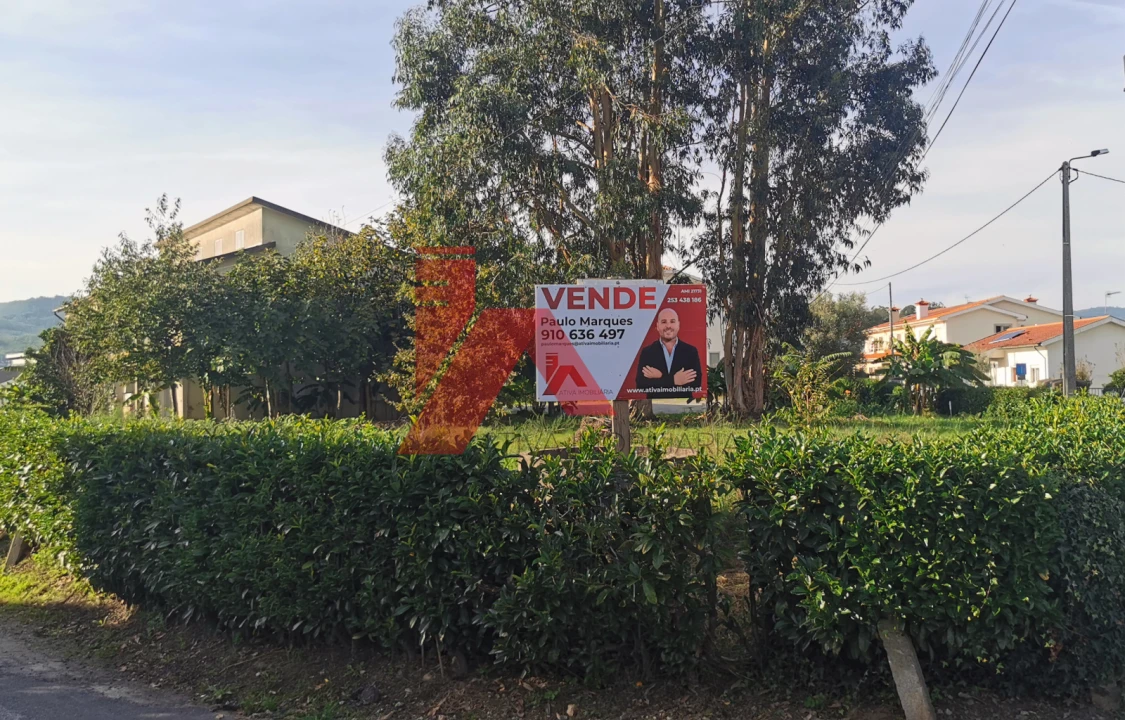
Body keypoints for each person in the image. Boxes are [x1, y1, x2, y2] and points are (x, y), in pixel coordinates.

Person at [634, 307, 702, 399]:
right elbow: (641, 384)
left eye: (672, 321)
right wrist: (674, 380)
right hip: (655, 404)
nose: (668, 326)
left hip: (683, 406)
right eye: (664, 322)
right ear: (657, 326)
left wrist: (660, 377)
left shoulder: (691, 351)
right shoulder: (647, 352)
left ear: (678, 325)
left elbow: (696, 384)